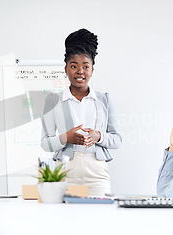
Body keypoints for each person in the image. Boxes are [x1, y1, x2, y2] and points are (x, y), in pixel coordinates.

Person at [41, 29, 122, 196]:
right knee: (65, 218)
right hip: (65, 172)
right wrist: (65, 138)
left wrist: (98, 136)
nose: (80, 71)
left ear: (92, 69)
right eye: (73, 66)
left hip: (97, 173)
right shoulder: (52, 101)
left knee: (100, 217)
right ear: (66, 69)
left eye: (86, 66)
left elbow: (117, 139)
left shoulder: (104, 100)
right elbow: (45, 143)